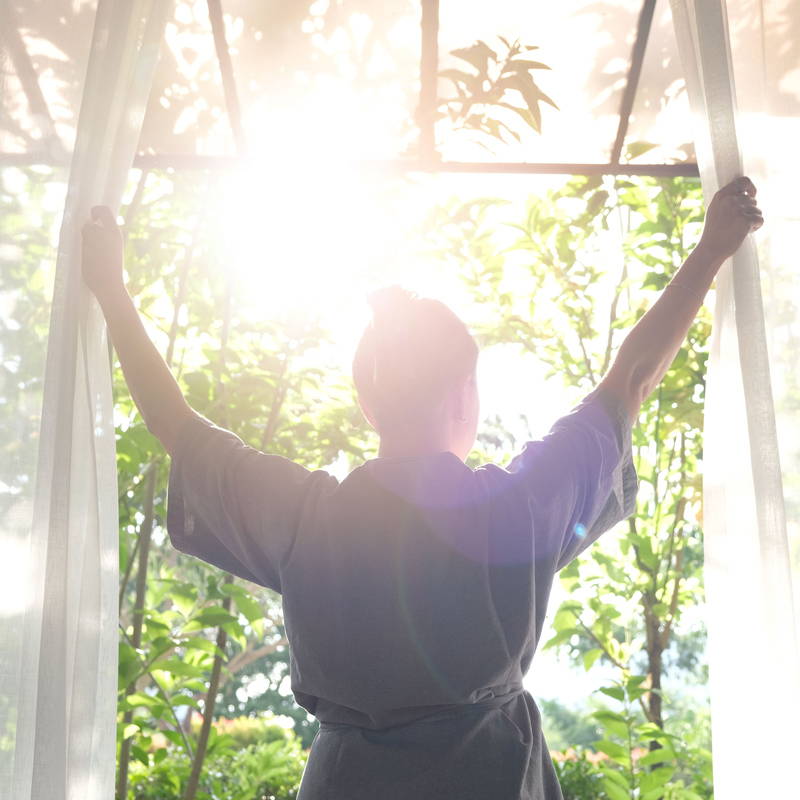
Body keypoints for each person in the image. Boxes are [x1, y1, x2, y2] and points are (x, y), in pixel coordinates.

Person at [82, 176, 763, 799]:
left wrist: (112, 291)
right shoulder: (517, 509)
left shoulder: (305, 518)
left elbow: (178, 426)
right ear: (464, 392)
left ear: (368, 406)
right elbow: (631, 379)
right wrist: (710, 250)